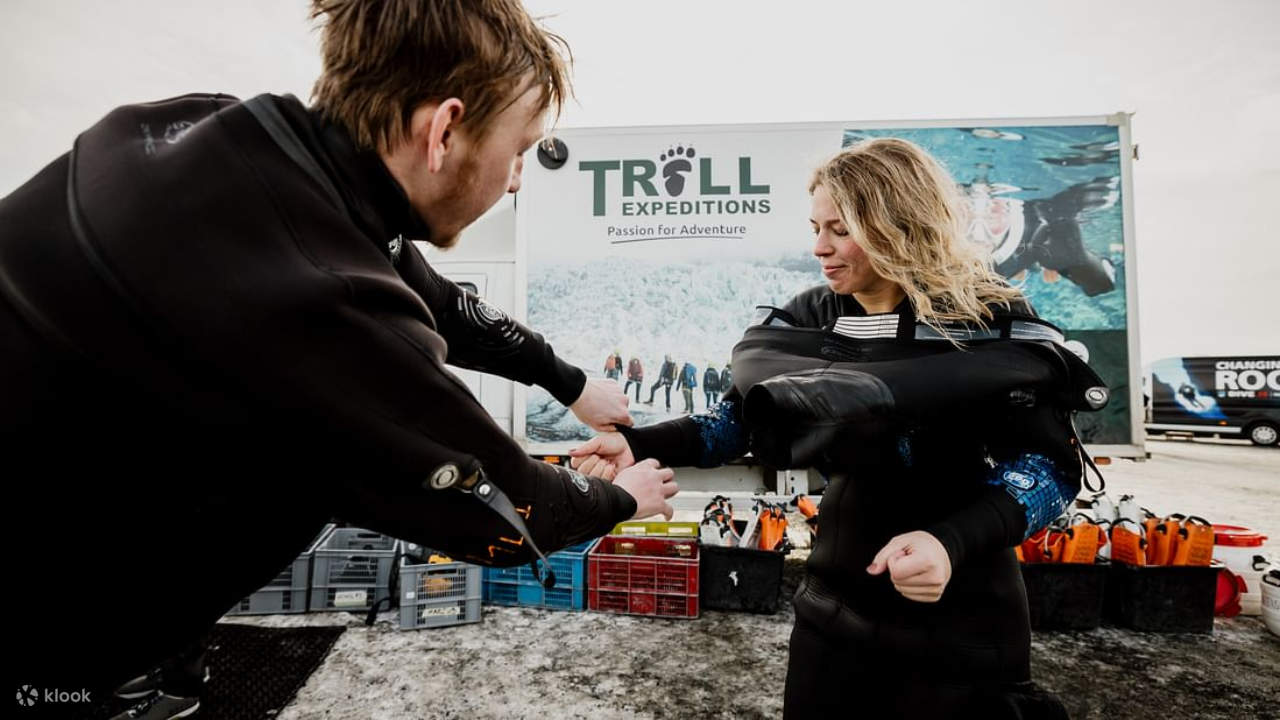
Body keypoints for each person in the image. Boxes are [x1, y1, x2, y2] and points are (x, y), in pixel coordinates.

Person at [0, 0, 679, 709]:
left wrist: (567, 384)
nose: (514, 180)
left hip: (103, 549)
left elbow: (445, 303)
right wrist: (620, 500)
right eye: (517, 153)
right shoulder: (320, 301)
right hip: (59, 647)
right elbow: (509, 512)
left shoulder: (233, 139)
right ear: (444, 130)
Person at [570, 139, 1104, 718]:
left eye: (841, 229)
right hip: (830, 616)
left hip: (959, 622)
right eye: (816, 226)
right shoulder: (813, 317)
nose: (820, 247)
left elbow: (1048, 471)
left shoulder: (988, 320)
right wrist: (638, 443)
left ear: (899, 224)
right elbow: (737, 422)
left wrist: (950, 543)